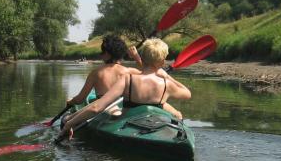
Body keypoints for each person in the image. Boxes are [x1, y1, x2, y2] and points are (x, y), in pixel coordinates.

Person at [59, 38, 191, 140]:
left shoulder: (127, 79)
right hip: (155, 123)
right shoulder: (167, 84)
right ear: (162, 62)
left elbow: (95, 107)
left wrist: (68, 124)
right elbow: (187, 94)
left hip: (128, 122)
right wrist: (167, 76)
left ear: (142, 58)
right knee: (177, 114)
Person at [66, 34, 140, 106]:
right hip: (123, 109)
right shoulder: (130, 71)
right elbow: (146, 73)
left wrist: (70, 101)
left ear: (107, 53)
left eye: (102, 51)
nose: (101, 54)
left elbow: (79, 100)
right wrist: (136, 57)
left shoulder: (95, 73)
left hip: (104, 110)